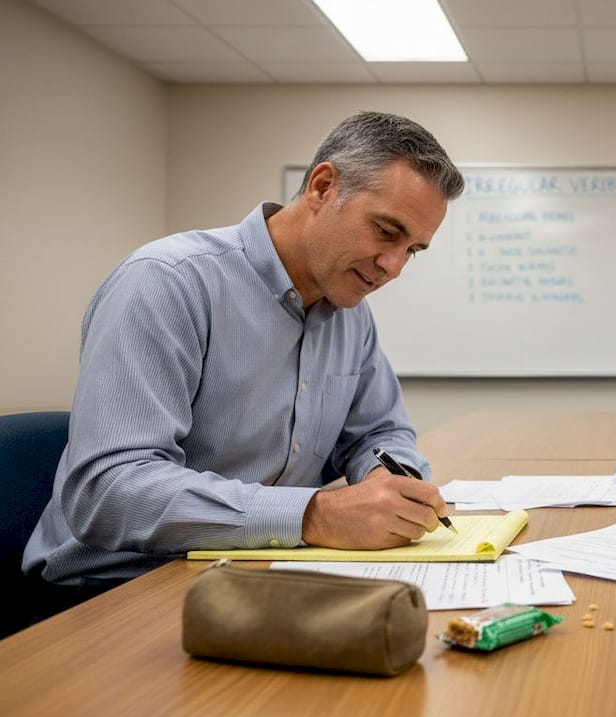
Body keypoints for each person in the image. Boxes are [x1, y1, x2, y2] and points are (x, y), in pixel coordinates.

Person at [22, 111, 465, 616]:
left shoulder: (350, 314)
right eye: (386, 232)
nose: (394, 267)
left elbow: (377, 433)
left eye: (413, 250)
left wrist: (390, 481)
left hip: (250, 568)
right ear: (323, 187)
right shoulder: (168, 282)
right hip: (114, 589)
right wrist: (314, 515)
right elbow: (109, 490)